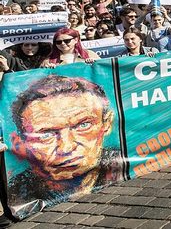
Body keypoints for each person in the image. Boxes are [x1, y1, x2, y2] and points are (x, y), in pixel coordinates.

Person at [6, 75, 121, 211]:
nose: (67, 147)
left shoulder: (126, 162)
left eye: (83, 125)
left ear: (106, 124)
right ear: (20, 142)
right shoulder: (17, 192)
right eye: (46, 134)